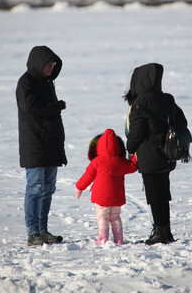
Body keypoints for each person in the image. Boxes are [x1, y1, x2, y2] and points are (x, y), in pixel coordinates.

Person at [124, 63, 189, 245]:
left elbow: (136, 132)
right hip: (167, 154)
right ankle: (166, 231)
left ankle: (159, 232)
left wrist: (130, 149)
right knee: (163, 193)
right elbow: (182, 120)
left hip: (149, 156)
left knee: (154, 195)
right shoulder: (167, 99)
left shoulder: (140, 103)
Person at [16, 45, 67, 246]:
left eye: (53, 64)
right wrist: (56, 107)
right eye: (48, 64)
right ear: (39, 63)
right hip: (34, 144)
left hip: (50, 144)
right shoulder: (25, 83)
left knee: (48, 188)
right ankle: (33, 232)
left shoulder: (47, 83)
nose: (51, 67)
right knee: (35, 187)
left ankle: (43, 230)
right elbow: (31, 108)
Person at [75, 129, 137, 245]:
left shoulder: (97, 161)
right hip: (116, 197)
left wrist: (79, 187)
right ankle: (119, 239)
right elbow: (132, 167)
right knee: (115, 217)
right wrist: (133, 156)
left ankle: (103, 238)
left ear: (100, 147)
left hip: (100, 197)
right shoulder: (121, 161)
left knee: (102, 217)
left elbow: (87, 177)